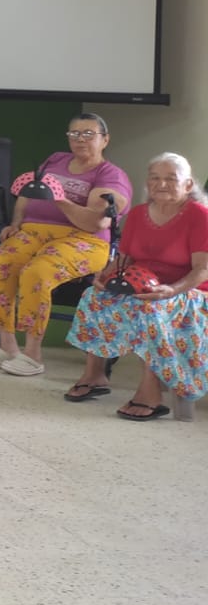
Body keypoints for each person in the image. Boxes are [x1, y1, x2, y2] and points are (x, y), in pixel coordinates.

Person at [0, 113, 132, 377]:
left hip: (83, 239)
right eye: (75, 134)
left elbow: (94, 222)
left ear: (105, 140)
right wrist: (16, 223)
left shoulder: (110, 175)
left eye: (88, 134)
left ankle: (33, 354)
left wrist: (59, 198)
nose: (80, 139)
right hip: (34, 232)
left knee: (37, 272)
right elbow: (28, 192)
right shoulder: (56, 160)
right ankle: (7, 346)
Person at [67, 153, 208, 420]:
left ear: (188, 184)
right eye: (155, 178)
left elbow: (202, 269)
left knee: (151, 309)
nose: (161, 184)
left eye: (171, 179)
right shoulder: (137, 214)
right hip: (143, 285)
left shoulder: (200, 216)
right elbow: (126, 258)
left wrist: (172, 290)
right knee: (94, 296)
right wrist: (106, 276)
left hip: (191, 292)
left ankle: (150, 391)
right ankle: (95, 374)